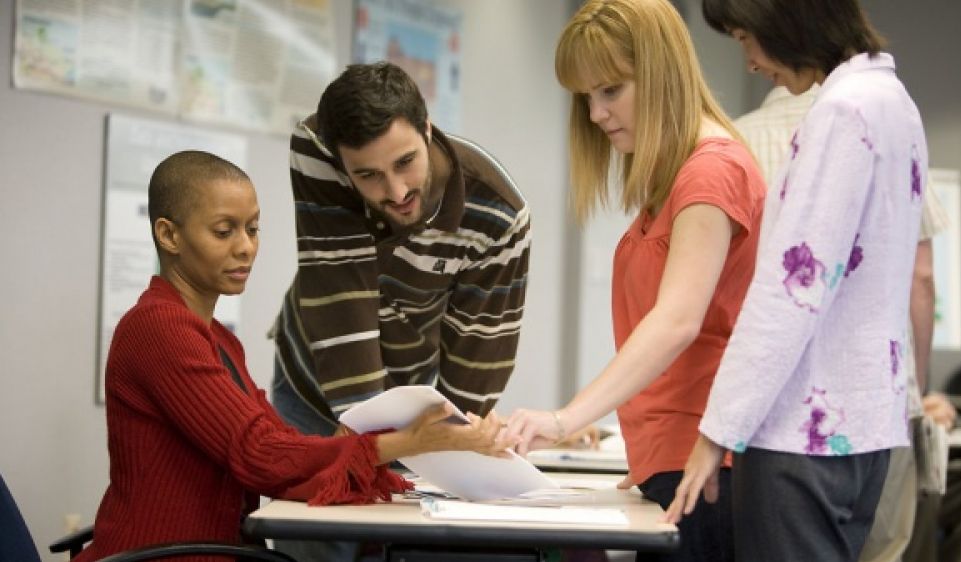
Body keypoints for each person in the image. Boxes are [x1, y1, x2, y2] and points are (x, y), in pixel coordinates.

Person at [73, 150, 511, 562]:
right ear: (169, 235)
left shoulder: (218, 339)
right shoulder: (158, 328)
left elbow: (277, 443)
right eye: (224, 231)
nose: (245, 247)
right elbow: (260, 454)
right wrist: (410, 442)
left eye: (253, 228)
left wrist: (386, 435)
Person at [665, 2, 929, 562]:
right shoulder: (896, 103)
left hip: (802, 433)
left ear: (786, 19)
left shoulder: (842, 111)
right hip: (865, 426)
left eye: (745, 38)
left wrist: (717, 433)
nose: (752, 62)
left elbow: (790, 290)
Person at [503, 1, 767, 561]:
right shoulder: (675, 177)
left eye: (610, 91)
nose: (596, 114)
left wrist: (563, 418)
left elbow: (676, 321)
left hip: (706, 465)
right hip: (669, 460)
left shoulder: (710, 171)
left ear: (660, 72)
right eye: (585, 98)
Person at [268, 61, 530, 560]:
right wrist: (363, 446)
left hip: (411, 393)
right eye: (367, 175)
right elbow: (339, 283)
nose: (395, 191)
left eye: (405, 162)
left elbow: (481, 350)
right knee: (317, 547)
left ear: (427, 128)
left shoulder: (498, 213)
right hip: (313, 377)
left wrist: (451, 436)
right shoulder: (316, 147)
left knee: (411, 543)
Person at [734, 85, 951, 562]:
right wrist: (918, 384)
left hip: (774, 414)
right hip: (878, 404)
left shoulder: (736, 141)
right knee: (881, 553)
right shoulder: (890, 133)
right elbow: (922, 276)